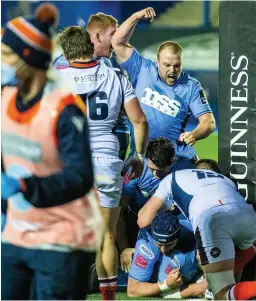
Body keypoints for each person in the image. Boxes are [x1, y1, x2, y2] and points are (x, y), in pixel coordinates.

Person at [1, 3, 102, 299]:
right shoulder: (5, 99)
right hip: (16, 235)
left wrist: (25, 185)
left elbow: (80, 176)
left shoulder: (63, 109)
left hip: (62, 241)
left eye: (6, 54)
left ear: (28, 59)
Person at [56, 26, 149, 300]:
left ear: (66, 51)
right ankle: (108, 297)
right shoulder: (115, 73)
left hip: (71, 160)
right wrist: (139, 155)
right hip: (108, 158)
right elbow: (139, 121)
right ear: (90, 44)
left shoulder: (57, 79)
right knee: (107, 235)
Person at [137, 166, 256, 300]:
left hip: (211, 219)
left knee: (221, 293)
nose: (154, 173)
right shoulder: (219, 177)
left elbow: (144, 219)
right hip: (246, 214)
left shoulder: (169, 180)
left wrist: (165, 217)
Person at [111, 7, 216, 163]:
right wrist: (135, 16)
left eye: (177, 65)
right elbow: (117, 42)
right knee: (126, 186)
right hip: (141, 156)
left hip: (174, 159)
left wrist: (194, 134)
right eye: (167, 65)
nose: (172, 70)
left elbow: (209, 122)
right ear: (157, 62)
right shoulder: (143, 68)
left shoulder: (190, 86)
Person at [52, 12, 130, 161]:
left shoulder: (112, 63)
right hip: (86, 145)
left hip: (104, 146)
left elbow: (123, 115)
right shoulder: (62, 64)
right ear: (98, 36)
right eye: (112, 35)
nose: (116, 41)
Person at [117, 137, 194, 256]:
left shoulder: (187, 168)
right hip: (135, 216)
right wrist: (124, 249)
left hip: (171, 221)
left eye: (161, 171)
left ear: (173, 161)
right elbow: (120, 211)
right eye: (151, 169)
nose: (156, 175)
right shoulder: (133, 169)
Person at [125, 212, 210, 299]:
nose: (164, 249)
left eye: (168, 244)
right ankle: (198, 285)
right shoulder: (146, 243)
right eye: (160, 244)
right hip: (151, 265)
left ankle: (200, 277)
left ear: (177, 239)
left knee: (202, 255)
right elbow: (132, 290)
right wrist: (166, 285)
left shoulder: (192, 230)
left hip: (187, 250)